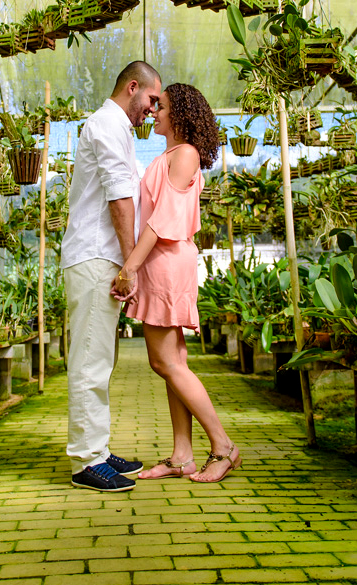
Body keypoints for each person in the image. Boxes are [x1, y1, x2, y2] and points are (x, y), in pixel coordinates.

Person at [114, 83, 242, 483]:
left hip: (166, 261)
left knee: (165, 361)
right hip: (160, 261)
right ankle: (182, 456)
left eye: (161, 107)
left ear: (181, 116)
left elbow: (165, 218)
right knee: (174, 363)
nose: (154, 112)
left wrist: (129, 266)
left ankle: (223, 446)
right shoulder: (171, 154)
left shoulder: (184, 154)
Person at [60, 60, 162, 492]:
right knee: (89, 359)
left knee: (101, 358)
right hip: (97, 258)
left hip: (102, 258)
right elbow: (121, 200)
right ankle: (86, 461)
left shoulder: (116, 128)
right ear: (133, 87)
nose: (154, 111)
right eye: (152, 100)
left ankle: (98, 450)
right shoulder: (105, 124)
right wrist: (129, 265)